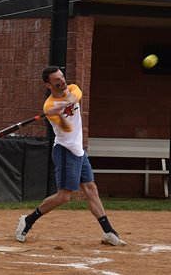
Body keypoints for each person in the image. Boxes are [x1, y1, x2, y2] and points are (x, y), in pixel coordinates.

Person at [15, 66, 126, 246]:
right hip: (65, 151)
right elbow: (67, 128)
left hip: (79, 150)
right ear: (48, 85)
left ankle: (108, 232)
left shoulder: (72, 89)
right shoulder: (48, 106)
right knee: (64, 197)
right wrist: (58, 112)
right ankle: (27, 221)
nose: (62, 81)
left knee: (91, 189)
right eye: (57, 80)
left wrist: (63, 105)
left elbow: (76, 97)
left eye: (62, 77)